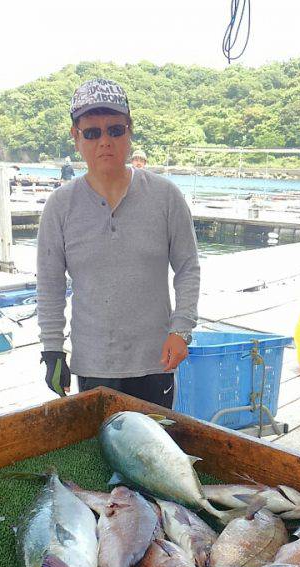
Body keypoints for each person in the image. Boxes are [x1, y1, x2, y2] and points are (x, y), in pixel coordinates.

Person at [37, 77, 200, 409]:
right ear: (75, 136)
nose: (105, 141)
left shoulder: (166, 196)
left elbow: (187, 268)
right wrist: (52, 349)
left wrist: (181, 330)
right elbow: (50, 285)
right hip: (94, 363)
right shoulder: (59, 205)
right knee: (102, 452)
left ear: (130, 131)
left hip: (157, 360)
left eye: (115, 130)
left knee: (155, 449)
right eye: (92, 132)